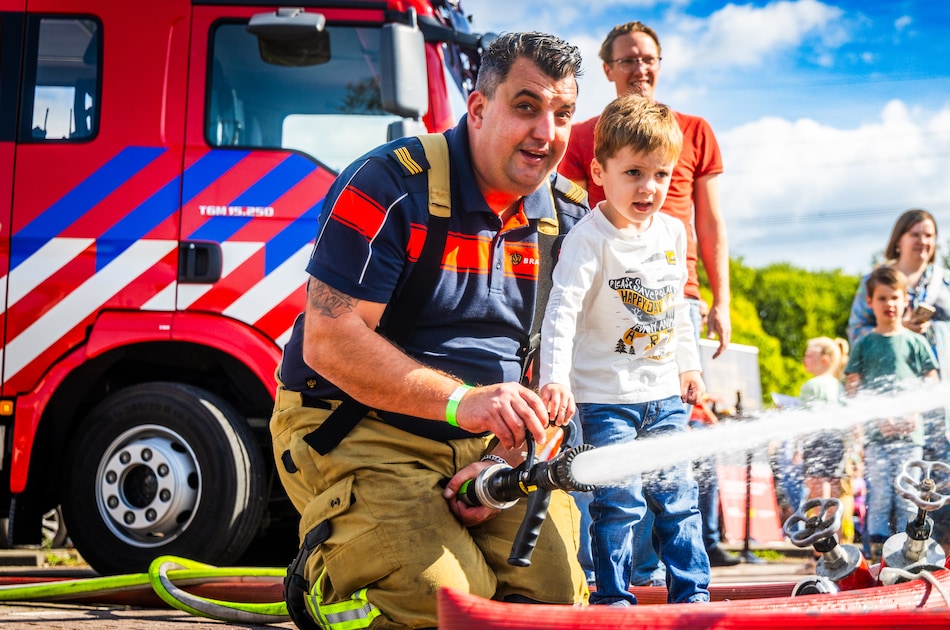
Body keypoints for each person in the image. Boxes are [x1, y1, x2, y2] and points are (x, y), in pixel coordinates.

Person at [269, 33, 590, 629]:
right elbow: (330, 340)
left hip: (496, 446)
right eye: (526, 106)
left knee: (554, 603)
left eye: (562, 113)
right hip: (358, 425)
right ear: (477, 108)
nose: (548, 132)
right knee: (443, 603)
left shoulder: (570, 220)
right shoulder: (388, 187)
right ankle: (331, 580)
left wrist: (511, 455)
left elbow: (564, 377)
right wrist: (462, 401)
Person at [559, 20, 738, 569]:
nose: (640, 68)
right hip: (607, 292)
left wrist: (720, 299)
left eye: (649, 58)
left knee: (667, 443)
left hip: (673, 294)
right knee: (611, 442)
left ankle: (653, 568)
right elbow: (565, 211)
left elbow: (710, 222)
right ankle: (604, 573)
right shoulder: (582, 136)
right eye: (628, 59)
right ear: (608, 69)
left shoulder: (694, 130)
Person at [539, 95, 709, 606]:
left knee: (679, 501)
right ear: (599, 170)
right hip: (605, 400)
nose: (648, 187)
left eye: (661, 175)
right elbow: (561, 310)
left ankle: (693, 595)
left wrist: (690, 366)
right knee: (620, 503)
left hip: (665, 400)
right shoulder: (588, 240)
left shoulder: (673, 232)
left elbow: (676, 307)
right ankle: (613, 598)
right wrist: (555, 378)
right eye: (633, 172)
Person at [848, 209, 950, 549]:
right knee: (893, 475)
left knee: (943, 461)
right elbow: (857, 332)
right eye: (916, 234)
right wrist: (899, 331)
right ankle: (895, 545)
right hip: (895, 385)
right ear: (900, 239)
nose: (923, 241)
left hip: (942, 380)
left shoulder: (945, 278)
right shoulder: (880, 279)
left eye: (929, 235)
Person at [846, 266, 940, 553]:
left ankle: (907, 550)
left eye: (895, 298)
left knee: (907, 496)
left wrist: (914, 412)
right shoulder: (864, 344)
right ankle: (876, 551)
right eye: (883, 298)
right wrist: (874, 418)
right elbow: (853, 388)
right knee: (879, 496)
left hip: (910, 438)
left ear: (905, 302)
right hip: (876, 440)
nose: (890, 304)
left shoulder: (916, 342)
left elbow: (932, 382)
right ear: (871, 303)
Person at [799, 337, 856, 542]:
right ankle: (836, 546)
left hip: (815, 444)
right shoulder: (839, 387)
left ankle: (818, 551)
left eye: (809, 355)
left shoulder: (810, 386)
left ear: (824, 359)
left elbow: (805, 421)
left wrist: (799, 447)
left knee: (816, 499)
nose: (804, 359)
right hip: (837, 446)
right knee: (833, 500)